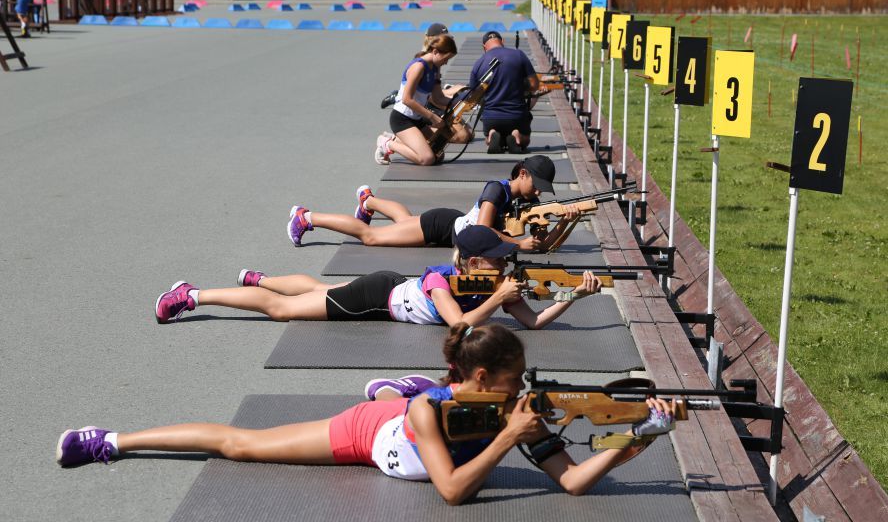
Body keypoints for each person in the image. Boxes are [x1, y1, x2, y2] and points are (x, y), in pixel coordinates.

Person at [56, 322, 676, 505]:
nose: (522, 393)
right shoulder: (439, 413)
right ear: (479, 377)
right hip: (371, 435)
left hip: (409, 425)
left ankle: (391, 389)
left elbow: (570, 482)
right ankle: (115, 439)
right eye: (513, 382)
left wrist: (639, 437)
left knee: (406, 401)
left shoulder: (514, 411)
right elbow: (455, 491)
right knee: (240, 445)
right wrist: (507, 436)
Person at [154, 225, 602, 328]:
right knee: (283, 311)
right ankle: (194, 295)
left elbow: (534, 323)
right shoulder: (442, 280)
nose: (504, 266)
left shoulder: (492, 287)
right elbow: (459, 325)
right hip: (375, 296)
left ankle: (260, 278)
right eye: (496, 260)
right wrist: (499, 296)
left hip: (387, 284)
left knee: (314, 286)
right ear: (469, 263)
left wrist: (572, 295)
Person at [288, 156, 571, 252]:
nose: (539, 193)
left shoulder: (518, 199)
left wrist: (567, 221)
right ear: (523, 174)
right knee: (371, 237)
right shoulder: (497, 190)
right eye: (537, 185)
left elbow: (544, 247)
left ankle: (368, 201)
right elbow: (483, 231)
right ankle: (306, 217)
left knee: (405, 222)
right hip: (442, 227)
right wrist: (518, 243)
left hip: (449, 225)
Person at [374, 34, 472, 166]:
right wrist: (432, 117)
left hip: (417, 118)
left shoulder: (435, 68)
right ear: (435, 52)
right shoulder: (418, 67)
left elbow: (438, 98)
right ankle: (388, 143)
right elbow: (406, 99)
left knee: (438, 154)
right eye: (446, 58)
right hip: (402, 119)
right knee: (427, 159)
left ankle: (398, 140)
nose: (446, 62)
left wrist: (463, 103)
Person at [469, 31, 540, 154]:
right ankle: (517, 136)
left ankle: (491, 135)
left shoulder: (478, 63)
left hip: (491, 117)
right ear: (502, 42)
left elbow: (473, 97)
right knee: (526, 140)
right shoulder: (519, 55)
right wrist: (520, 86)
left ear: (484, 47)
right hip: (517, 116)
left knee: (490, 139)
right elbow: (534, 86)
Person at [380, 23, 464, 109]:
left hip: (427, 94)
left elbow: (436, 91)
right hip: (421, 101)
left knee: (457, 89)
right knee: (449, 101)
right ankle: (396, 97)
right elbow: (430, 97)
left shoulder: (436, 59)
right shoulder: (423, 60)